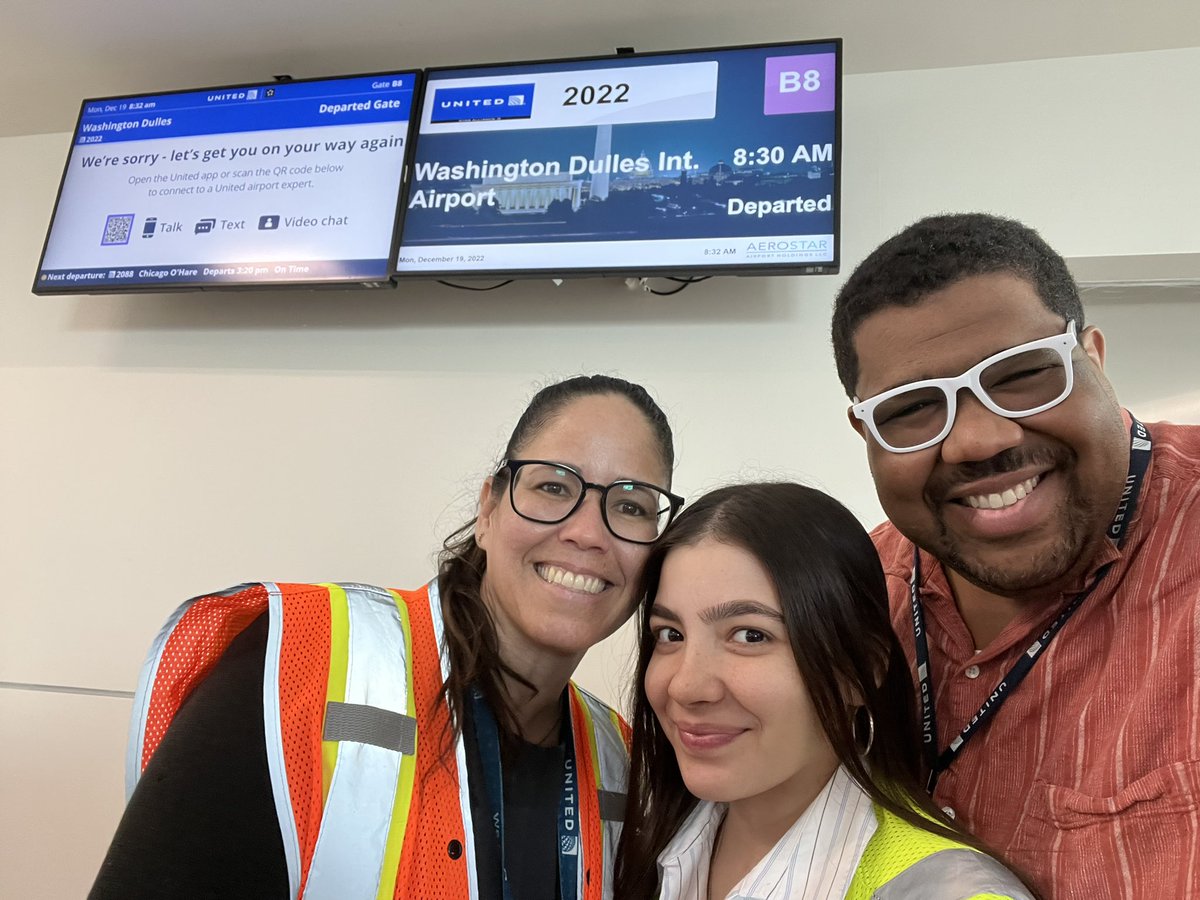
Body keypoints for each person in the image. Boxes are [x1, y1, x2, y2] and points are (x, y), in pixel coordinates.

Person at [90, 374, 683, 900]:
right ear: (488, 509)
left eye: (631, 506)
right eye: (553, 487)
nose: (587, 532)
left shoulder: (620, 758)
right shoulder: (299, 658)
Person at [831, 212, 1200, 897]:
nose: (977, 440)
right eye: (913, 408)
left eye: (1023, 374)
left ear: (1093, 353)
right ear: (865, 432)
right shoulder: (850, 598)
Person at [614, 482, 1033, 900]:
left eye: (750, 636)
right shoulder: (646, 838)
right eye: (670, 633)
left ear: (860, 670)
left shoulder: (948, 891)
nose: (686, 687)